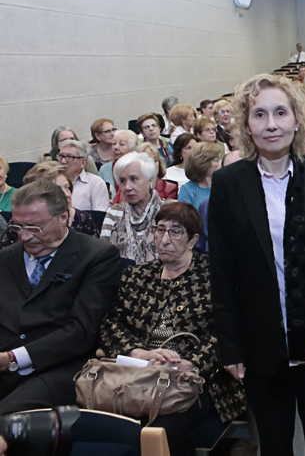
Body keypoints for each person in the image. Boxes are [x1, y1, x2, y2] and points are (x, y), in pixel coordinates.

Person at [208, 73, 305, 455]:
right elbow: (222, 273)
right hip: (261, 339)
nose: (271, 124)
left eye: (280, 112)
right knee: (275, 444)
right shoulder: (229, 183)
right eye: (259, 115)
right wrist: (230, 347)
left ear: (297, 119)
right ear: (247, 124)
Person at [99, 202, 246, 456]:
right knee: (103, 420)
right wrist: (138, 353)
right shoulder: (137, 276)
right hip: (139, 374)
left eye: (175, 232)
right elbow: (112, 323)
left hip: (200, 378)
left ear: (193, 240)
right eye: (160, 230)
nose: (165, 239)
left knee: (165, 426)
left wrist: (191, 363)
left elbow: (229, 329)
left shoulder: (213, 276)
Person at [0, 180, 121, 413]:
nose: (24, 236)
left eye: (34, 227)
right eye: (17, 227)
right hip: (5, 363)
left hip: (59, 366)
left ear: (63, 217)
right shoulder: (6, 258)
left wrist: (14, 357)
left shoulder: (96, 257)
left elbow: (82, 331)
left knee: (8, 416)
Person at [0, 162, 99, 249]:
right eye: (58, 190)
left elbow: (95, 254)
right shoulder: (20, 222)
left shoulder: (83, 219)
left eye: (67, 188)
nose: (67, 194)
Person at [100, 152, 166, 263]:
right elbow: (103, 255)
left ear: (150, 180)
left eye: (134, 179)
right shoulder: (114, 212)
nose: (127, 187)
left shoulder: (168, 211)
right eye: (122, 181)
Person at [111, 143, 178, 205]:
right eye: (145, 162)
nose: (151, 165)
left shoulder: (169, 188)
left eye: (154, 160)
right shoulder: (125, 188)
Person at [57, 140, 110, 211]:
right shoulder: (52, 181)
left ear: (83, 162)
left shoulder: (96, 183)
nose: (63, 161)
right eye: (61, 156)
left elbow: (100, 215)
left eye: (69, 157)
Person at [178, 143, 223, 210]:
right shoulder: (187, 190)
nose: (221, 163)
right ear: (203, 164)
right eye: (216, 160)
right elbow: (185, 215)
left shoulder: (224, 186)